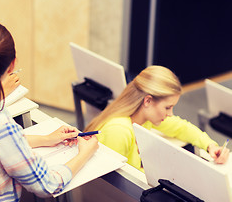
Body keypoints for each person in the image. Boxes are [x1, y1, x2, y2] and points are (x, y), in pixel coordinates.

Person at [0, 22, 99, 201]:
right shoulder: (0, 126)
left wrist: (47, 139)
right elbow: (47, 185)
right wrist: (85, 153)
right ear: (12, 66)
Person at [84, 65, 229, 172]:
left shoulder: (144, 118)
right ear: (147, 101)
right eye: (167, 107)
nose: (170, 114)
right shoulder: (119, 131)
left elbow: (181, 127)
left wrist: (210, 146)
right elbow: (116, 182)